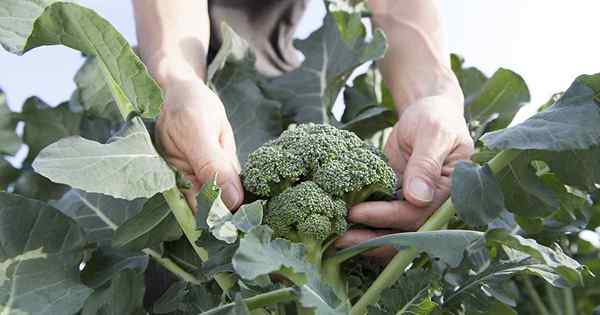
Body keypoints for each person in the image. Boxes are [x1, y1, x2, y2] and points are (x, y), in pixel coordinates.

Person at [132, 0, 474, 260]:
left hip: (284, 74)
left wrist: (435, 97)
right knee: (182, 250)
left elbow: (397, 10)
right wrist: (176, 79)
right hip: (190, 87)